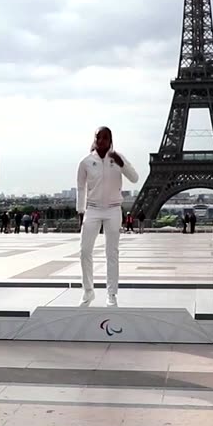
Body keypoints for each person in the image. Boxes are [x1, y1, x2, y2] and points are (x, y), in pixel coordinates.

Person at [76, 126, 138, 307]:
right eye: (98, 137)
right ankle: (88, 291)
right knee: (84, 251)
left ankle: (111, 293)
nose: (101, 140)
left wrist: (122, 163)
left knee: (112, 253)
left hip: (113, 209)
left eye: (105, 137)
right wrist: (81, 211)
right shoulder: (86, 162)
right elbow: (81, 188)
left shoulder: (118, 159)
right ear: (94, 139)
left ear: (111, 140)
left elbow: (134, 178)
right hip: (93, 209)